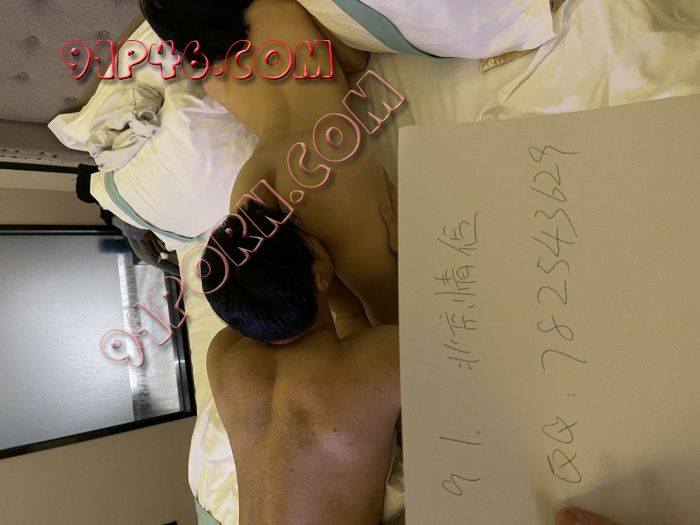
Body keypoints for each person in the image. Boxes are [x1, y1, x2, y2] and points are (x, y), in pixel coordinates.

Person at [142, 0, 399, 328]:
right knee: (393, 316)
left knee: (348, 314)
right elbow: (356, 60)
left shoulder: (208, 74)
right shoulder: (277, 7)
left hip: (257, 178)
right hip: (322, 160)